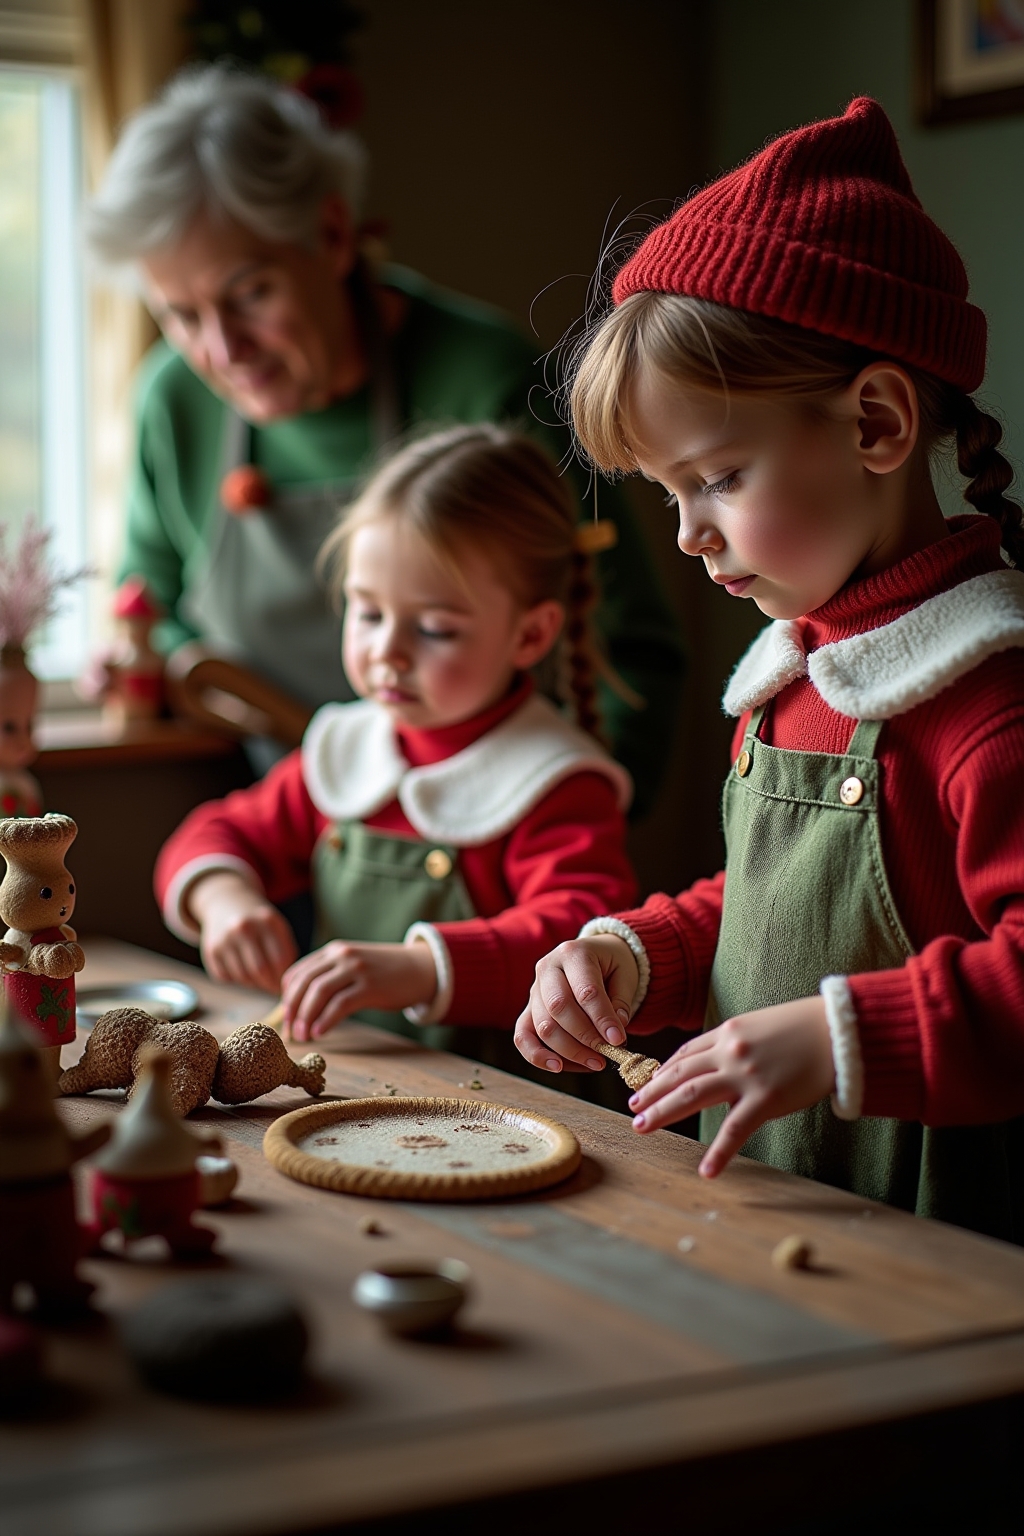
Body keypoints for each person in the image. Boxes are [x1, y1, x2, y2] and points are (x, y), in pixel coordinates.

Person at [514, 98, 1024, 1242]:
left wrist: (841, 1040)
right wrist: (634, 954)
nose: (689, 534)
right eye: (667, 495)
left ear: (877, 424)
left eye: (720, 478)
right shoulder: (794, 673)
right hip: (783, 1219)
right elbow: (770, 923)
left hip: (945, 1250)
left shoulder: (987, 702)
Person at [86, 64, 684, 813]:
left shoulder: (486, 384)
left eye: (250, 294)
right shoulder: (173, 400)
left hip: (490, 829)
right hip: (282, 828)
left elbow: (630, 652)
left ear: (332, 234)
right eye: (180, 315)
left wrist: (576, 834)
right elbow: (150, 612)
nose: (222, 349)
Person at [155, 425, 635, 1056]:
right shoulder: (346, 749)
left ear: (531, 635)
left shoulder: (558, 782)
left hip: (510, 1110)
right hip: (352, 1079)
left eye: (434, 629)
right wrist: (224, 900)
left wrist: (419, 968)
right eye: (370, 613)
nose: (387, 652)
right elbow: (216, 833)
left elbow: (580, 941)